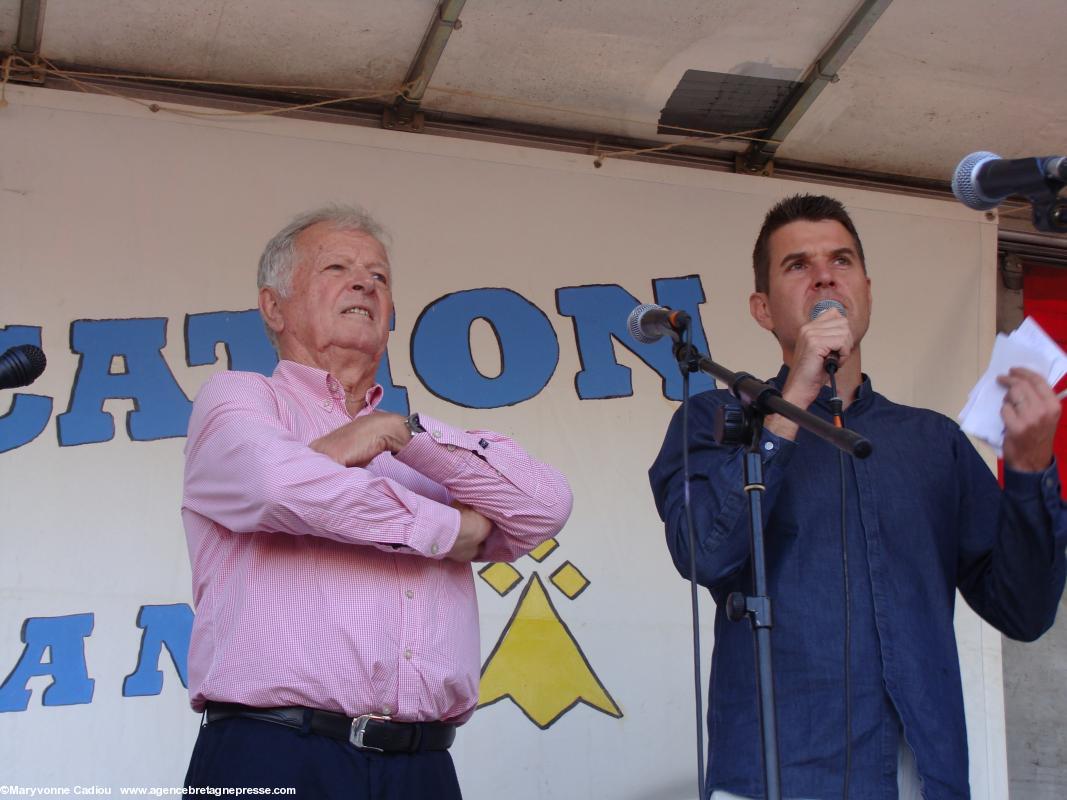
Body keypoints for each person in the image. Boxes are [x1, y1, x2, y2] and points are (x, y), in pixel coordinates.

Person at [649, 194, 1067, 799]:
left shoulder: (932, 441)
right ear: (762, 309)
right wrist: (794, 397)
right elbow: (705, 553)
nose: (824, 274)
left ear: (866, 290)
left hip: (918, 774)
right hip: (777, 774)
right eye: (798, 265)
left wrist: (1030, 470)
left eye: (841, 260)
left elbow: (1024, 613)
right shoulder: (713, 418)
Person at [181, 205, 573, 798]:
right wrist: (449, 530)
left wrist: (403, 436)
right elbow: (278, 487)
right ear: (273, 306)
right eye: (337, 267)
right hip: (273, 753)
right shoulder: (240, 401)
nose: (365, 283)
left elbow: (544, 505)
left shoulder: (420, 439)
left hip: (422, 764)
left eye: (380, 277)